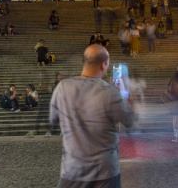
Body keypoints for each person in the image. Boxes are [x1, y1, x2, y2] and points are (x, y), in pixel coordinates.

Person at [50, 45, 134, 187]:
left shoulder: (62, 87)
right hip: (105, 173)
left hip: (72, 171)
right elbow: (129, 120)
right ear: (103, 64)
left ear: (85, 61)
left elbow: (54, 119)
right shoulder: (111, 92)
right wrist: (125, 92)